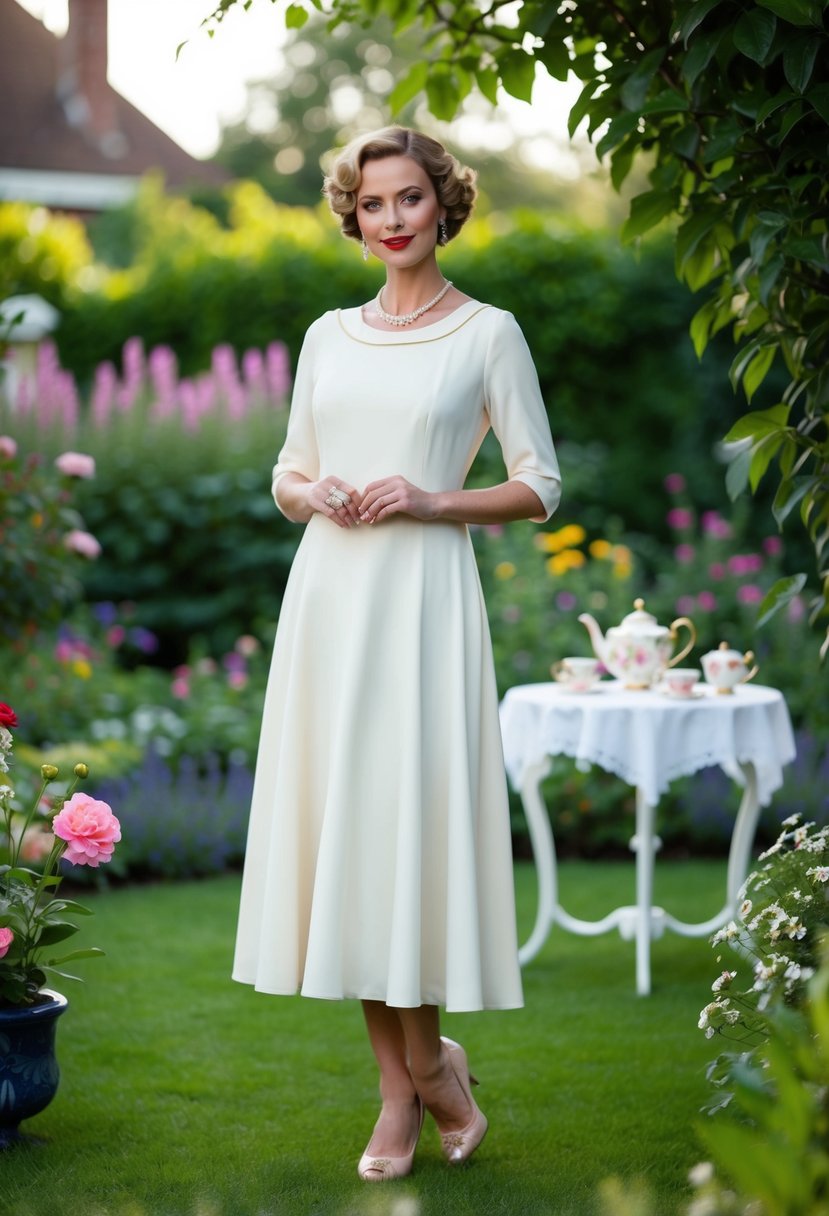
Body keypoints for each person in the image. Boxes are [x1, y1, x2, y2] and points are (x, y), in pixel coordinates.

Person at [233, 126, 561, 1181]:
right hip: (329, 601)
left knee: (403, 834)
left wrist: (429, 498)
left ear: (443, 205)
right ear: (354, 214)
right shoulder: (327, 334)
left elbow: (538, 483)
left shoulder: (489, 334)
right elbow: (287, 472)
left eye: (410, 199)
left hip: (422, 603)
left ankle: (427, 1065)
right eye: (373, 204)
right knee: (349, 840)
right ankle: (405, 1080)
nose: (391, 220)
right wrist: (312, 492)